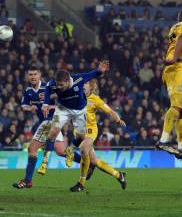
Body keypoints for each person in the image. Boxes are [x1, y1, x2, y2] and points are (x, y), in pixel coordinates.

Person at [41, 61, 110, 192]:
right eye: (58, 85)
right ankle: (44, 163)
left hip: (79, 112)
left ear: (68, 81)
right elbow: (48, 88)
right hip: (62, 109)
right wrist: (45, 103)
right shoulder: (53, 83)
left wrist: (100, 70)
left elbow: (93, 74)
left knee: (81, 137)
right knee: (53, 131)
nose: (59, 87)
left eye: (61, 85)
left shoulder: (79, 78)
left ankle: (81, 159)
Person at [12, 66, 74, 189]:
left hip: (51, 120)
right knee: (61, 152)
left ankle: (28, 180)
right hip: (48, 122)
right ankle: (87, 161)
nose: (33, 76)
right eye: (30, 74)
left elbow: (64, 101)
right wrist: (30, 108)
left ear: (40, 75)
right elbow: (24, 106)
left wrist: (51, 106)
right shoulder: (28, 90)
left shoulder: (49, 87)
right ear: (27, 76)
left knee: (32, 149)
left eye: (35, 74)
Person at [155, 9, 182, 164]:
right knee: (177, 105)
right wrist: (174, 58)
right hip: (179, 68)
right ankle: (164, 141)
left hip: (176, 70)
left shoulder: (174, 28)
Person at [81, 79, 127, 188]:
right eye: (83, 83)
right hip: (79, 131)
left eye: (86, 84)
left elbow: (110, 111)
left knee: (84, 150)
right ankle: (119, 175)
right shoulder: (77, 96)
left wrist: (118, 119)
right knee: (93, 160)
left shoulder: (95, 99)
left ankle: (81, 183)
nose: (83, 85)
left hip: (90, 130)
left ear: (91, 87)